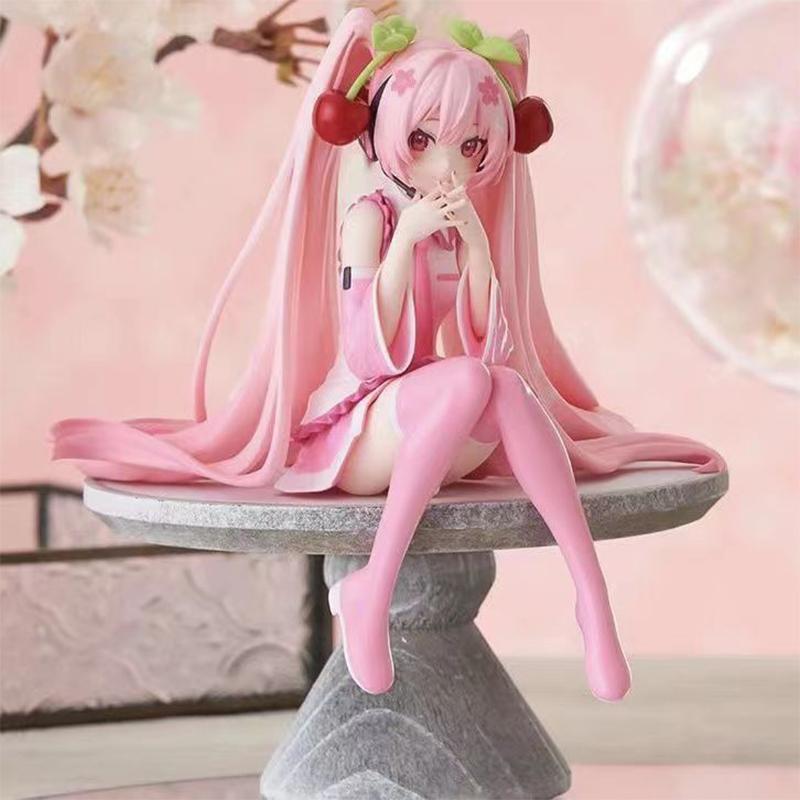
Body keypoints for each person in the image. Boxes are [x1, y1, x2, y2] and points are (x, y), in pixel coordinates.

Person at [51, 10, 726, 701]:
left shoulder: (457, 224)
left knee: (503, 386)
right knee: (472, 383)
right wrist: (405, 242)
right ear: (383, 133)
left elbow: (489, 346)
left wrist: (480, 250)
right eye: (425, 140)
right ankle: (375, 586)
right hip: (362, 428)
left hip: (430, 417)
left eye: (471, 146)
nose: (448, 164)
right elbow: (368, 354)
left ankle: (590, 596)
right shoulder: (369, 217)